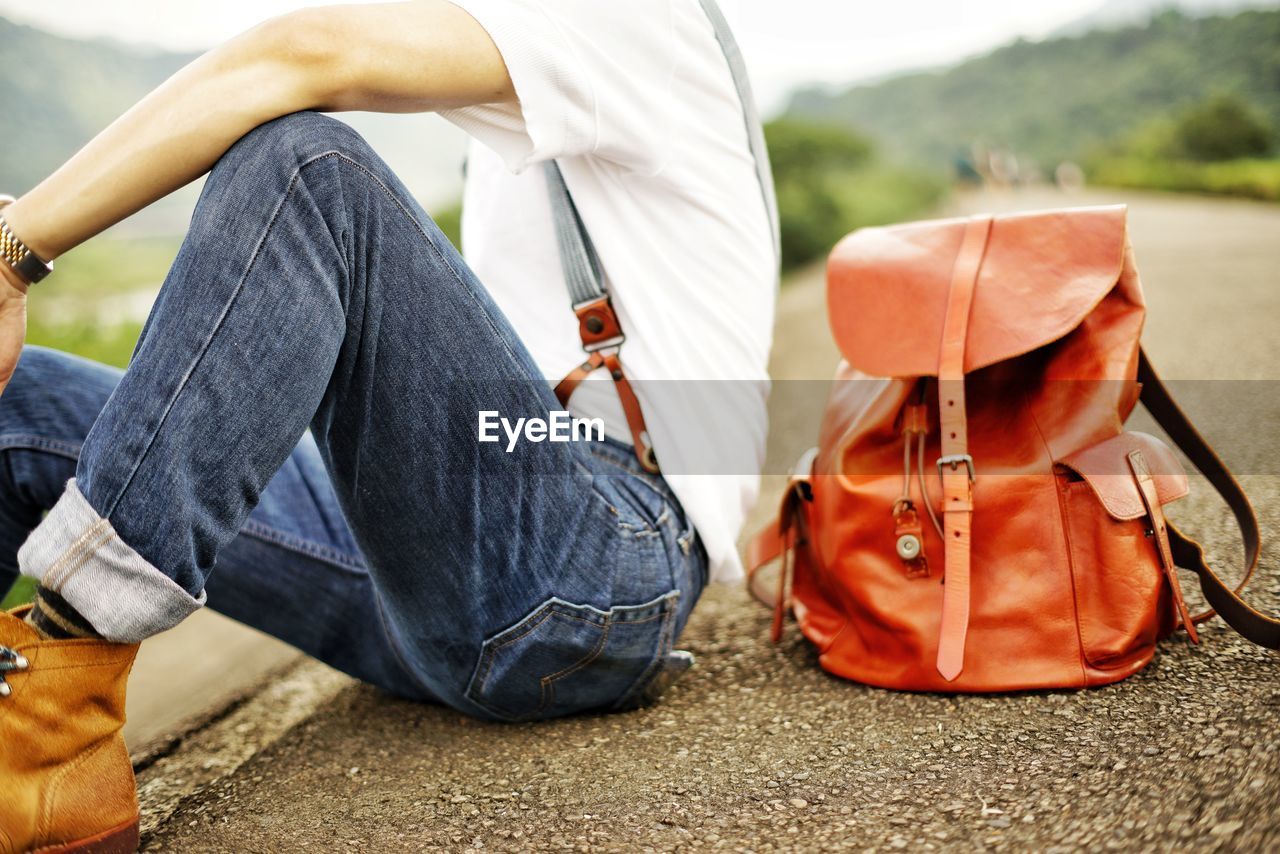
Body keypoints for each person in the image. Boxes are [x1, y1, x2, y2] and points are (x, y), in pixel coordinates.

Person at [0, 1, 777, 850]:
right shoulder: (523, 64)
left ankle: (54, 726)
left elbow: (305, 54)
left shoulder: (637, 19)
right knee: (18, 401)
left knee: (308, 163)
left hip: (598, 575)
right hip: (448, 587)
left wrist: (14, 249)